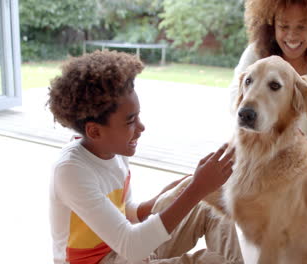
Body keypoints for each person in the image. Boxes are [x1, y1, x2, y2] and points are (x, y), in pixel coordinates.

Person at [47, 50, 243, 264]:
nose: (141, 127)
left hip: (129, 251)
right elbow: (133, 247)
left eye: (138, 116)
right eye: (130, 121)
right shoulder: (71, 172)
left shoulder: (113, 150)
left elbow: (128, 214)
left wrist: (170, 195)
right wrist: (196, 189)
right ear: (94, 131)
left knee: (210, 202)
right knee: (209, 259)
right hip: (113, 257)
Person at [230, 0, 307, 189]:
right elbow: (236, 95)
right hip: (259, 172)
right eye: (283, 26)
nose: (291, 35)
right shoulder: (256, 52)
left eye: (302, 26)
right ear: (271, 23)